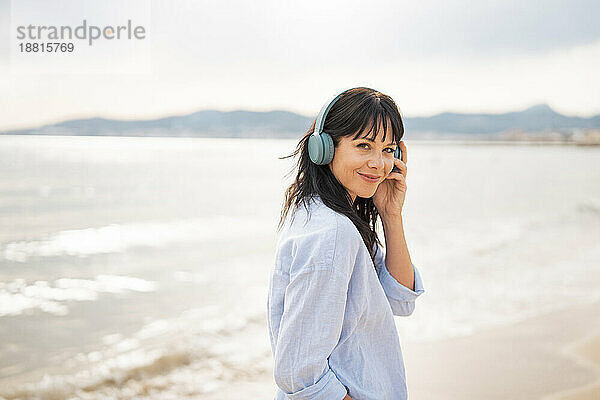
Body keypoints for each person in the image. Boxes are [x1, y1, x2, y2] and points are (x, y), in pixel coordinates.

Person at [267, 87, 425, 400]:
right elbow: (298, 372)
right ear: (324, 149)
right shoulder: (332, 233)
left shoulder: (327, 213)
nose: (379, 164)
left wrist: (391, 215)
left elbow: (400, 299)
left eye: (388, 149)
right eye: (364, 146)